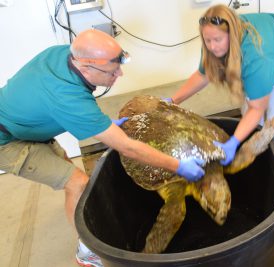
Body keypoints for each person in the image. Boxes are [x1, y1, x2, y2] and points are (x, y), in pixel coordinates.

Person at [0, 29, 205, 267]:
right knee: (77, 183)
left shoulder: (61, 55)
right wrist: (179, 166)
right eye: (112, 70)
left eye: (120, 63)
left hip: (24, 125)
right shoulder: (69, 97)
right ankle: (86, 253)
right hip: (7, 142)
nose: (120, 73)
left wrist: (105, 125)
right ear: (86, 67)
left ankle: (81, 211)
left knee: (69, 173)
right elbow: (129, 148)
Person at [166, 5, 274, 198]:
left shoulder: (255, 53)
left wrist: (233, 142)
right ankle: (261, 173)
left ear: (231, 35)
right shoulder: (216, 39)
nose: (212, 46)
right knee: (251, 125)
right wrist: (173, 101)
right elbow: (203, 73)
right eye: (207, 40)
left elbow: (257, 108)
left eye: (217, 40)